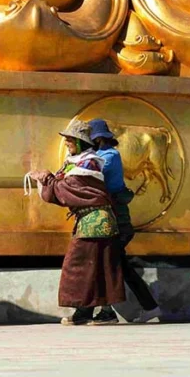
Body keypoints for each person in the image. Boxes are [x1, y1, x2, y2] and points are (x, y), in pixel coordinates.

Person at [29, 120, 125, 326]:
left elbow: (65, 189)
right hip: (89, 222)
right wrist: (48, 179)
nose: (67, 143)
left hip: (96, 222)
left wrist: (47, 179)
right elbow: (61, 183)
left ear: (81, 143)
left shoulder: (88, 165)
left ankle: (100, 311)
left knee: (80, 266)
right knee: (94, 267)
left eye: (70, 140)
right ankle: (88, 311)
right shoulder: (76, 163)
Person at [88, 118, 161, 324]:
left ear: (98, 139)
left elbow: (92, 173)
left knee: (108, 266)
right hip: (111, 223)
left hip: (117, 224)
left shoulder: (109, 156)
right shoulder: (100, 155)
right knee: (120, 268)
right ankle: (149, 307)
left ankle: (109, 312)